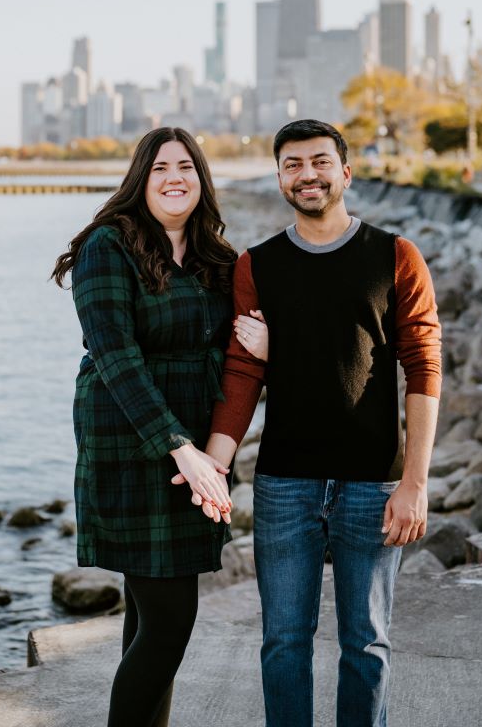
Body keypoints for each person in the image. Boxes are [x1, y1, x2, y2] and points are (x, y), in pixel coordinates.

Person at [189, 119, 442, 726]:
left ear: (345, 172)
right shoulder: (257, 266)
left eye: (320, 162)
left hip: (372, 483)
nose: (308, 174)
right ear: (279, 179)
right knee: (283, 644)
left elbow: (424, 370)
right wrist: (215, 463)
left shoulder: (395, 256)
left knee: (367, 643)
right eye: (293, 165)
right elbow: (244, 376)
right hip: (285, 484)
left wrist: (414, 482)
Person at [52, 126, 237, 727]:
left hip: (193, 449)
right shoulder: (110, 245)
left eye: (185, 166)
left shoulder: (215, 260)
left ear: (201, 179)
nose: (174, 177)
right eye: (159, 168)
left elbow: (236, 348)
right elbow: (115, 357)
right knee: (168, 623)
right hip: (132, 442)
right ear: (140, 179)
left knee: (147, 616)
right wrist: (180, 450)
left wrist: (261, 340)